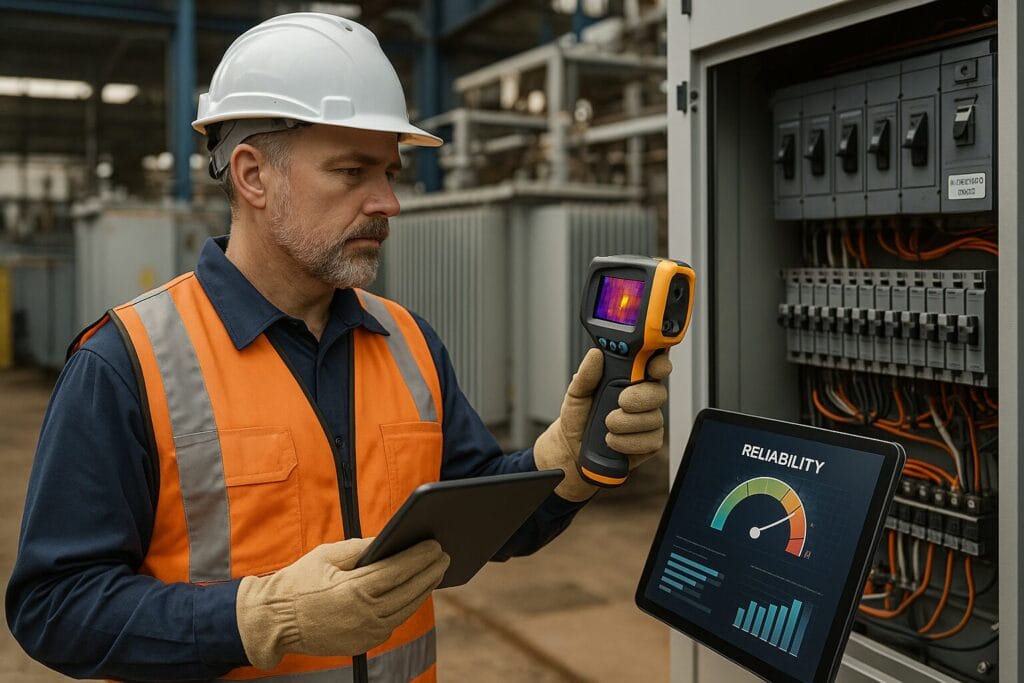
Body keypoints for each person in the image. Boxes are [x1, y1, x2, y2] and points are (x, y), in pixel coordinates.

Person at [6, 12, 671, 682]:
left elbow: (477, 519)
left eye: (388, 171)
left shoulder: (409, 343)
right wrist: (263, 617)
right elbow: (53, 604)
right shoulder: (126, 363)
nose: (388, 202)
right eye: (352, 171)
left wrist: (562, 462)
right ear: (253, 176)